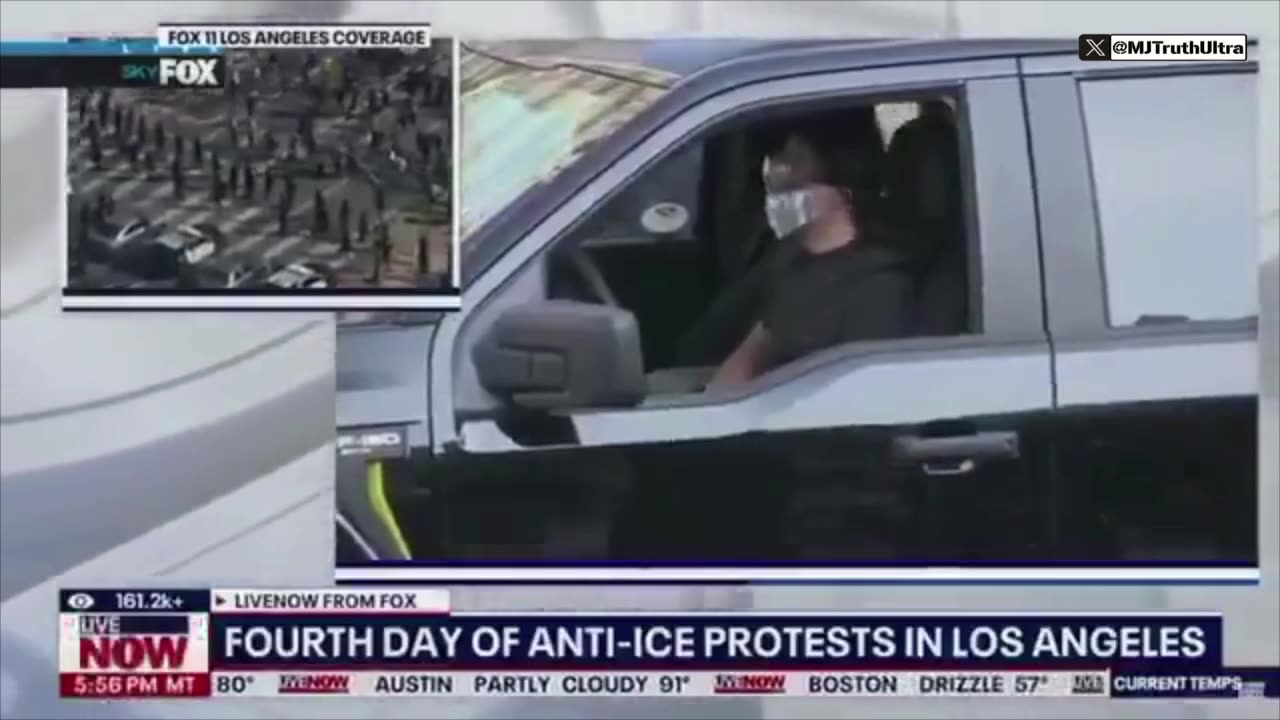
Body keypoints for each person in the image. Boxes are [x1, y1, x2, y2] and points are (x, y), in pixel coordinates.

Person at [707, 115, 915, 390]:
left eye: (795, 164)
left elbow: (860, 404)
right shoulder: (789, 258)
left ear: (842, 179)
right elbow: (754, 352)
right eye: (776, 161)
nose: (777, 178)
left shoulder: (878, 286)